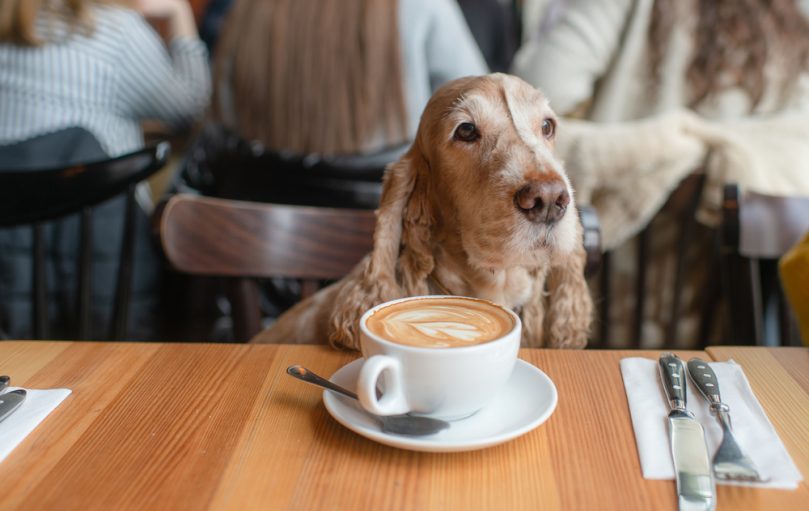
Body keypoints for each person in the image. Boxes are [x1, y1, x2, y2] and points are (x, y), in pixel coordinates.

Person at [512, 0, 809, 347]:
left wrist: (664, 146)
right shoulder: (789, 16)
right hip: (728, 334)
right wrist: (712, 148)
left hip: (600, 308)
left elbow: (532, 96)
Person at [0, 0, 211, 339]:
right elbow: (189, 107)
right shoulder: (115, 32)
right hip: (104, 289)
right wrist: (178, 14)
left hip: (10, 298)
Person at [210, 0, 488, 170]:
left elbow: (221, 114)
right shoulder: (422, 6)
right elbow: (486, 115)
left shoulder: (247, 9)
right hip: (388, 230)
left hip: (256, 227)